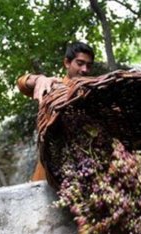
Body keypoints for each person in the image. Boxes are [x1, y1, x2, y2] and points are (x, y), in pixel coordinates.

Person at [17, 41, 95, 181]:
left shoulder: (93, 94)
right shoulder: (53, 86)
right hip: (50, 173)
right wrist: (39, 79)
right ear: (67, 63)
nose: (84, 69)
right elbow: (22, 83)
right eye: (80, 63)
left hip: (84, 170)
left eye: (88, 65)